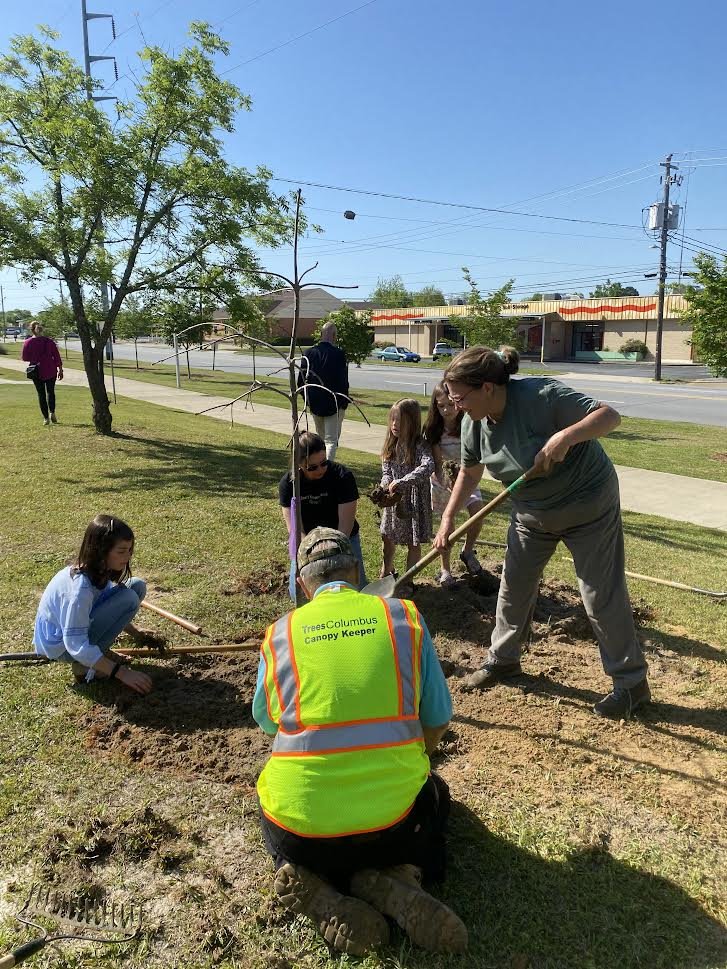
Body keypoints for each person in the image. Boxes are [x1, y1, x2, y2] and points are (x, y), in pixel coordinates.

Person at [253, 527, 467, 957]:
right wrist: (414, 755)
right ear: (357, 570)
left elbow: (267, 722)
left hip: (303, 833)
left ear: (301, 584)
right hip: (393, 829)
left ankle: (314, 883)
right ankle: (398, 875)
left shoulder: (279, 635)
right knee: (436, 796)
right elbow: (440, 718)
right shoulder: (403, 617)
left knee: (271, 806)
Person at [433, 345, 650, 721]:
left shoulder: (540, 396)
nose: (456, 406)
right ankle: (503, 660)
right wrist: (449, 518)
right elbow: (470, 473)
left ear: (487, 388)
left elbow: (608, 416)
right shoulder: (472, 423)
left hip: (588, 506)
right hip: (532, 513)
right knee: (513, 588)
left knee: (599, 596)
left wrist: (566, 436)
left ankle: (631, 684)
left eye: (459, 398)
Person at [33, 515, 155, 695]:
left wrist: (136, 633)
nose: (128, 557)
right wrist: (121, 673)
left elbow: (105, 608)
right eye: (121, 551)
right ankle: (83, 667)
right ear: (101, 550)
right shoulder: (80, 590)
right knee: (128, 598)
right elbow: (75, 643)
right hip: (63, 647)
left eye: (130, 550)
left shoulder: (99, 569)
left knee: (136, 586)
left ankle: (98, 654)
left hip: (72, 636)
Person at [279, 431, 368, 603]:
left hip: (343, 538)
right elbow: (296, 531)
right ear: (299, 465)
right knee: (298, 594)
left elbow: (345, 527)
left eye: (324, 463)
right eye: (312, 467)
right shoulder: (289, 484)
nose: (320, 470)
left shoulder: (342, 476)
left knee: (357, 589)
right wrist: (310, 554)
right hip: (307, 544)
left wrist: (332, 553)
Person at [423, 381, 486, 587]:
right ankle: (445, 569)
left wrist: (463, 480)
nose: (447, 410)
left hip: (467, 477)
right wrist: (448, 483)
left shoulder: (469, 423)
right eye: (441, 406)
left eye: (451, 405)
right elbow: (438, 464)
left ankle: (467, 552)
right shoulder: (434, 430)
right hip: (443, 482)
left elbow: (476, 456)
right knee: (446, 526)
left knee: (477, 512)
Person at [379, 399, 434, 595]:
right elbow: (386, 470)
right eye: (393, 419)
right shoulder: (391, 444)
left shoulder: (419, 445)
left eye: (400, 421)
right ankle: (387, 571)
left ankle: (408, 580)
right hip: (394, 501)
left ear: (413, 422)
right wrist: (385, 483)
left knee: (413, 541)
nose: (395, 424)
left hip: (414, 501)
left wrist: (403, 481)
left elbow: (428, 466)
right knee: (387, 535)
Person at [298, 322, 349, 460]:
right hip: (334, 403)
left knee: (321, 440)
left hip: (315, 403)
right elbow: (343, 381)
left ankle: (318, 465)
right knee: (331, 440)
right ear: (334, 336)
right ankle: (326, 470)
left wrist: (307, 400)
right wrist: (344, 402)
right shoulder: (339, 354)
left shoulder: (309, 353)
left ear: (320, 335)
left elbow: (301, 381)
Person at [21, 321, 64, 426]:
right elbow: (57, 356)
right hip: (51, 369)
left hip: (36, 370)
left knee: (41, 394)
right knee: (51, 392)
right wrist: (60, 369)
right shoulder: (49, 342)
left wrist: (35, 357)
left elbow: (25, 358)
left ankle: (45, 418)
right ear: (41, 329)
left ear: (31, 330)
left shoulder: (27, 342)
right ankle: (52, 412)